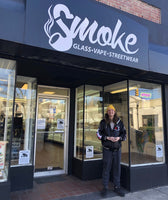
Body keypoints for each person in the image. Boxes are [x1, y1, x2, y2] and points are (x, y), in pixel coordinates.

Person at [96, 104, 126, 197]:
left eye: (112, 110)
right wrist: (107, 137)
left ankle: (117, 187)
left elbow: (124, 135)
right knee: (106, 168)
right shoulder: (103, 122)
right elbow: (98, 134)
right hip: (107, 150)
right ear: (107, 112)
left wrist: (119, 138)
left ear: (114, 112)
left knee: (117, 168)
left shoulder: (120, 122)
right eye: (109, 110)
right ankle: (105, 188)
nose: (111, 112)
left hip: (117, 150)